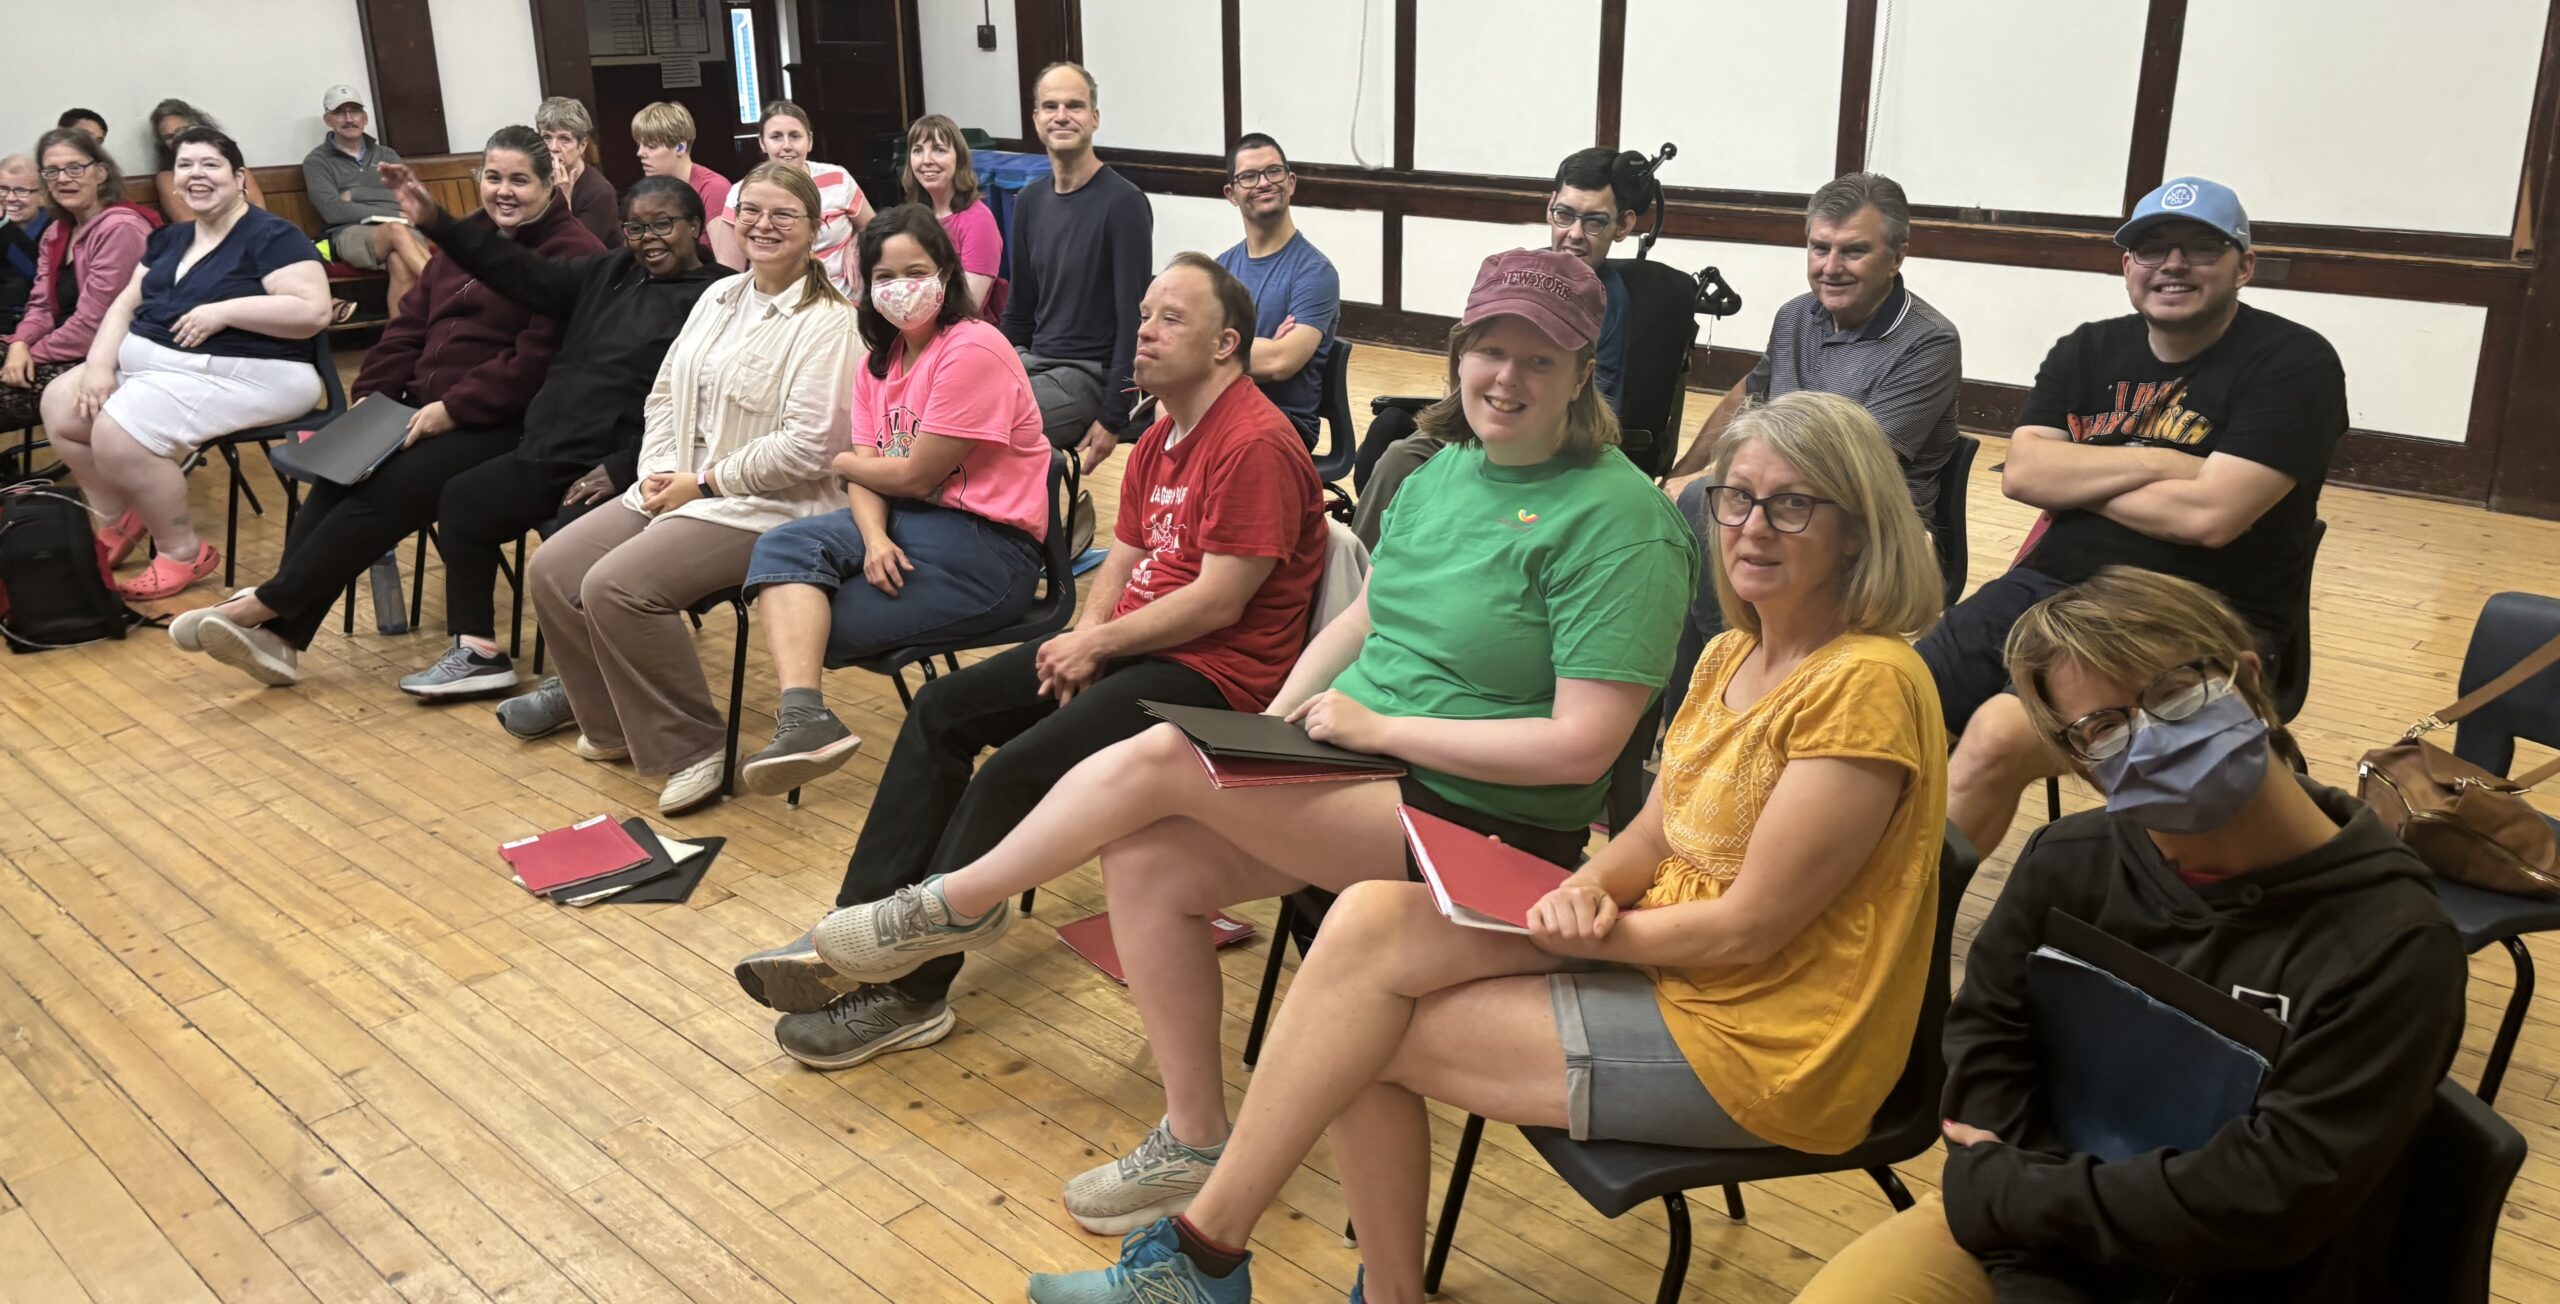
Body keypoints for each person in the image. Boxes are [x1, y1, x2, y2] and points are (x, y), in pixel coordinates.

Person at [784, 250, 1699, 1245]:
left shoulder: (1623, 523)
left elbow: (1581, 749)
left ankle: (950, 903)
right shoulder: (1446, 472)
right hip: (1366, 774)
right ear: (1458, 355)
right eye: (1488, 349)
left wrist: (1374, 727)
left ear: (1580, 372)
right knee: (1146, 851)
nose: (1506, 378)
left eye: (1537, 358)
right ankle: (1194, 1132)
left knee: (1166, 761)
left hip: (1489, 827)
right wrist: (1283, 722)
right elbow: (1364, 622)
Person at [1016, 401, 1943, 1304]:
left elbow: (1749, 931)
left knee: (1354, 1040)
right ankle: (1243, 1265)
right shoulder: (1729, 657)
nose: (1751, 527)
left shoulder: (1864, 682)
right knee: (1368, 920)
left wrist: (1592, 929)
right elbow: (1657, 833)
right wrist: (1588, 886)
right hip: (1667, 948)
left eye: (1792, 505)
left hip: (1768, 1035)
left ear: (1858, 532)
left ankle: (1216, 1261)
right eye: (1735, 498)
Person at [728, 252, 1329, 1069]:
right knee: (942, 713)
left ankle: (911, 993)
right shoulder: (1161, 436)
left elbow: (1221, 601)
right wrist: (1083, 635)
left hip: (1214, 679)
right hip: (1137, 646)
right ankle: (863, 927)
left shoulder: (1255, 442)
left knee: (1014, 768)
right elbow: (1122, 560)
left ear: (1226, 344)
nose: (1144, 330)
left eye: (1169, 319)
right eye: (1145, 313)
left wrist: (1100, 642)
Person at [1798, 568, 2465, 1304]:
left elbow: (2271, 1196)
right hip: (2033, 1218)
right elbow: (1986, 1037)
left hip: (2221, 1273)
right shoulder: (2069, 861)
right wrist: (2027, 1235)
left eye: (2175, 693)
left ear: (2246, 678)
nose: (2150, 736)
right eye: (2104, 729)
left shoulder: (2393, 944)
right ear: (2081, 764)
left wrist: (2021, 1200)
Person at [1928, 177, 2347, 858]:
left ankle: (1912, 935)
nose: (2173, 265)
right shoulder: (2087, 348)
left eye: (2199, 248)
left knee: (1996, 739)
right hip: (2048, 590)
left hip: (2195, 615)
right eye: (2152, 249)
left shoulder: (2293, 362)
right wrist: (2164, 461)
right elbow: (2027, 475)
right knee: (1894, 703)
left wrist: (2087, 470)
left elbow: (2209, 517)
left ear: (2245, 265)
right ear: (2127, 266)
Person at [168, 127, 600, 686]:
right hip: (419, 407)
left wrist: (453, 407)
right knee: (336, 478)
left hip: (507, 420)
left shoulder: (573, 252)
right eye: (493, 177)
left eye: (520, 180)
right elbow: (408, 326)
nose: (504, 191)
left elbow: (536, 361)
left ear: (551, 184)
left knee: (386, 487)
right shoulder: (469, 236)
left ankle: (264, 607)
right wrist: (373, 396)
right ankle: (279, 640)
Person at [513, 162, 853, 815]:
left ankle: (695, 748)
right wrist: (661, 473)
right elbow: (666, 395)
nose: (764, 224)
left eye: (784, 213)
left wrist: (701, 483)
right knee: (554, 569)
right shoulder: (719, 297)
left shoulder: (829, 322)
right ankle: (614, 726)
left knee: (616, 588)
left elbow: (811, 447)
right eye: (751, 210)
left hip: (769, 505)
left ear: (815, 228)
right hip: (680, 484)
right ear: (731, 219)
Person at [733, 205, 1051, 794]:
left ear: (946, 274)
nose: (900, 288)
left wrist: (847, 463)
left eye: (916, 271)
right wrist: (874, 534)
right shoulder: (877, 363)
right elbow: (877, 479)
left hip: (988, 547)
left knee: (817, 626)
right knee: (782, 543)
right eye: (884, 276)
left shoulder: (972, 348)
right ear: (866, 285)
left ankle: (811, 715)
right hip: (908, 525)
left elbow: (909, 475)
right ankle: (806, 719)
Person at [390, 174, 729, 700]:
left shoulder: (719, 296)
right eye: (635, 228)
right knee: (463, 497)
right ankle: (478, 652)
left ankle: (589, 680)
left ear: (696, 226)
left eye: (663, 224)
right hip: (552, 448)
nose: (649, 239)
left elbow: (709, 410)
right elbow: (519, 271)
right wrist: (439, 222)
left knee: (574, 538)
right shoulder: (611, 270)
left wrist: (624, 465)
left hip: (625, 461)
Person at [1658, 172, 1963, 716]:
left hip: (1867, 516)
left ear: (1898, 255)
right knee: (1686, 505)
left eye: (1854, 251)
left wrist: (1718, 487)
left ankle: (1734, 686)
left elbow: (1859, 471)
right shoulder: (1797, 315)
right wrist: (1683, 470)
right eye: (1819, 248)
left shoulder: (1930, 340)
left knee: (1709, 511)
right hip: (1781, 498)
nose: (1830, 267)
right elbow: (1748, 397)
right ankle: (1684, 711)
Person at [40, 127, 330, 600]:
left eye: (210, 165)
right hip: (165, 368)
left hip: (257, 371)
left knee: (117, 432)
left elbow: (312, 311)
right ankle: (120, 517)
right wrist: (96, 366)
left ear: (239, 178)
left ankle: (181, 551)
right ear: (173, 179)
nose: (197, 175)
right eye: (185, 166)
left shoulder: (272, 235)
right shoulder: (170, 239)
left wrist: (226, 310)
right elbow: (122, 306)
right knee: (61, 403)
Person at [1349, 147, 1654, 545]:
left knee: (1403, 459)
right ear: (1550, 208)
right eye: (1565, 215)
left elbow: (1598, 414)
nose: (1575, 234)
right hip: (1480, 424)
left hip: (1535, 440)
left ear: (1624, 224)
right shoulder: (1513, 271)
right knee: (1393, 448)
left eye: (1594, 222)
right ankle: (1362, 576)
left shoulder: (1611, 304)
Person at [1002, 61, 1151, 472]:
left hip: (1089, 375)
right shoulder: (1030, 201)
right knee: (943, 410)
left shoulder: (1124, 204)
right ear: (1036, 120)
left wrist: (1113, 417)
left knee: (984, 429)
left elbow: (1135, 322)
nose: (1062, 115)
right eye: (1050, 106)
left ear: (1095, 118)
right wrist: (988, 365)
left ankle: (1039, 534)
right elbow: (1020, 307)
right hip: (1035, 363)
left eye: (1075, 105)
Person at [2, 130, 152, 436]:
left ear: (100, 173)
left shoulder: (121, 228)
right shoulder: (58, 230)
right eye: (52, 171)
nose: (62, 178)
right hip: (60, 345)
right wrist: (18, 343)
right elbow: (41, 305)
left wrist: (30, 353)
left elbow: (93, 326)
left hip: (108, 357)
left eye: (75, 167)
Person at [1213, 133, 1338, 447]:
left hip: (1282, 424)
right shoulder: (1219, 270)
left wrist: (1215, 354)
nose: (1264, 183)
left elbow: (1281, 362)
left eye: (1273, 172)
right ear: (1231, 193)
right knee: (1161, 422)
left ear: (1291, 182)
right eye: (1249, 176)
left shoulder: (1315, 272)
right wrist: (1262, 346)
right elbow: (1192, 348)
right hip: (1222, 408)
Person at [710, 101, 872, 292]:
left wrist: (856, 244)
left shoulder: (838, 178)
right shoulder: (741, 193)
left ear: (810, 141)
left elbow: (873, 228)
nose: (786, 146)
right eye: (776, 137)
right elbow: (731, 273)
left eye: (795, 136)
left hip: (842, 297)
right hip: (775, 302)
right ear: (762, 143)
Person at [304, 85, 428, 318]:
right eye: (341, 112)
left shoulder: (387, 155)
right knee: (396, 229)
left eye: (355, 111)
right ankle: (449, 293)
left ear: (365, 117)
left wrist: (355, 194)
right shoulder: (316, 161)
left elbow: (405, 200)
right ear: (328, 119)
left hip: (402, 228)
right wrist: (389, 208)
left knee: (400, 263)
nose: (349, 118)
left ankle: (398, 345)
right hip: (349, 233)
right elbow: (333, 210)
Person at [902, 113, 1001, 311]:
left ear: (959, 159)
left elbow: (969, 304)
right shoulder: (910, 216)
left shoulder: (979, 221)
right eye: (918, 150)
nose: (927, 160)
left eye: (939, 150)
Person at [150, 100, 270, 222]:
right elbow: (187, 222)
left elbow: (259, 211)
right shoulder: (168, 177)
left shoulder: (233, 166)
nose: (176, 139)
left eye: (181, 131)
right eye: (169, 137)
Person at [534, 96, 622, 248]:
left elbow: (576, 251)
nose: (553, 147)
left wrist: (561, 199)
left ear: (582, 146)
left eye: (564, 139)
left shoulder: (600, 192)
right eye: (546, 137)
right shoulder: (538, 179)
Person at [632, 101, 732, 225]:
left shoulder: (713, 189)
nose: (640, 153)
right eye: (639, 145)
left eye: (651, 146)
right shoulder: (649, 191)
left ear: (680, 147)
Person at [0, 155, 40, 336]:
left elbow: (35, 271)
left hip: (28, 328)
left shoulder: (54, 227)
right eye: (2, 189)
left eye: (21, 191)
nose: (10, 198)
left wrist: (4, 223)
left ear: (42, 196)